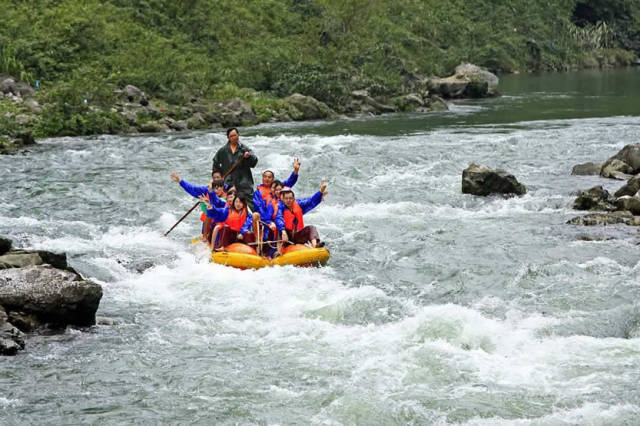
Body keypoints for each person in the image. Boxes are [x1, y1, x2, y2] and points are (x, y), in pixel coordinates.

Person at [252, 158, 301, 254]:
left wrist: (295, 170)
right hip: (266, 220)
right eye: (265, 177)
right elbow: (258, 208)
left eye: (269, 177)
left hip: (280, 218)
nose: (267, 179)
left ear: (272, 179)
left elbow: (290, 182)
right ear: (262, 178)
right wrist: (269, 221)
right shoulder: (258, 192)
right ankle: (260, 247)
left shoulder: (277, 188)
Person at [171, 171, 226, 241]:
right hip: (209, 218)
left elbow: (219, 202)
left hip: (222, 218)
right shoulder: (207, 189)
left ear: (222, 178)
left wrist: (209, 201)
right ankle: (205, 237)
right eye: (214, 178)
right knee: (208, 215)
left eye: (217, 177)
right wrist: (180, 181)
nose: (216, 180)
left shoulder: (228, 190)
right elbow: (193, 189)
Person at [275, 181, 328, 254]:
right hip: (287, 237)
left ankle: (315, 246)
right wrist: (283, 231)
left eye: (290, 198)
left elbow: (311, 201)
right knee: (279, 229)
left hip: (297, 235)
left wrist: (320, 191)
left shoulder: (298, 204)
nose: (288, 200)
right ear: (283, 199)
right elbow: (278, 218)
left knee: (311, 228)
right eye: (286, 198)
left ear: (294, 199)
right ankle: (279, 252)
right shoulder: (280, 207)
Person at [211, 128, 258, 200]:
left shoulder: (244, 149)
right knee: (228, 202)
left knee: (247, 201)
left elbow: (254, 162)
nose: (233, 138)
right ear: (228, 137)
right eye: (231, 136)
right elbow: (215, 164)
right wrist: (218, 178)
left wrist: (249, 157)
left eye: (235, 135)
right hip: (228, 182)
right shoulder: (223, 150)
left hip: (244, 182)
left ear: (238, 135)